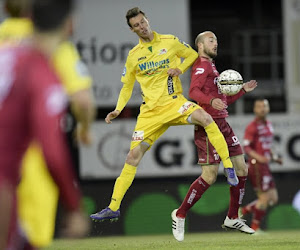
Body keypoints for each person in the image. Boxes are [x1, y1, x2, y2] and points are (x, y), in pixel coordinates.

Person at [90, 8, 238, 222]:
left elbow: (191, 55)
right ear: (132, 30)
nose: (142, 27)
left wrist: (179, 68)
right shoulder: (133, 57)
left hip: (174, 103)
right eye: (136, 25)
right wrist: (118, 109)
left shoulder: (169, 41)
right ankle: (113, 207)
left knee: (206, 119)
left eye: (143, 22)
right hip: (150, 113)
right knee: (132, 157)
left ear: (147, 20)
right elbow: (126, 86)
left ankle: (228, 166)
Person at [0, 0, 95, 248]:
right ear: (68, 24)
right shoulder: (48, 52)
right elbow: (83, 101)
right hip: (26, 165)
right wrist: (84, 129)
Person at [171, 31, 258, 242]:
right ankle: (180, 214)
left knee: (242, 168)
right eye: (211, 40)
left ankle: (231, 216)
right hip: (208, 127)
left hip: (223, 124)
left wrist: (242, 91)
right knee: (209, 176)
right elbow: (193, 92)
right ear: (200, 45)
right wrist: (210, 102)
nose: (215, 43)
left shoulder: (212, 67)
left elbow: (223, 103)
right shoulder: (201, 64)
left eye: (217, 40)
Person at [239, 98, 282, 232]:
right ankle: (254, 229)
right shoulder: (252, 126)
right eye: (259, 107)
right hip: (256, 165)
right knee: (263, 199)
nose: (262, 109)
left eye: (264, 106)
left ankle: (243, 210)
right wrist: (260, 158)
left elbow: (268, 145)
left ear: (268, 108)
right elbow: (246, 148)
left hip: (265, 166)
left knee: (273, 199)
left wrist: (274, 157)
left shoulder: (268, 124)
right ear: (255, 109)